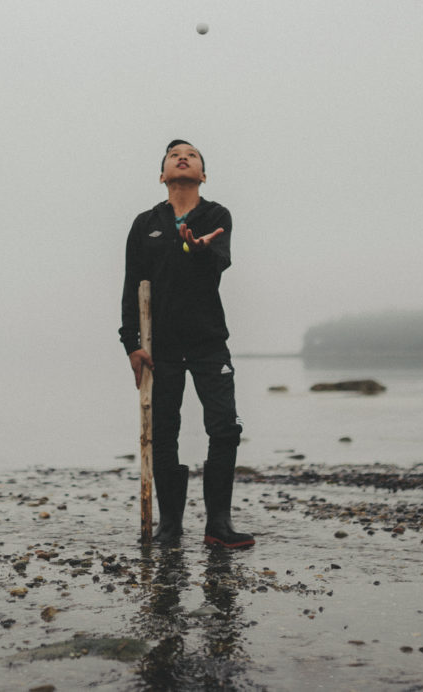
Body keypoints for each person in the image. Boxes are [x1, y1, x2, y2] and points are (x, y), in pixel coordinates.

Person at [119, 139, 254, 549]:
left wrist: (198, 250)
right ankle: (171, 526)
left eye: (192, 155)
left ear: (202, 174)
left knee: (225, 428)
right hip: (160, 346)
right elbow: (131, 286)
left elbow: (218, 263)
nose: (183, 157)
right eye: (175, 155)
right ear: (162, 174)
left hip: (209, 341)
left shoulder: (217, 215)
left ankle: (219, 525)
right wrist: (132, 344)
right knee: (163, 432)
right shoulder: (145, 223)